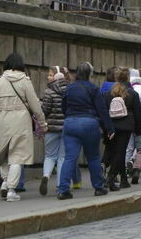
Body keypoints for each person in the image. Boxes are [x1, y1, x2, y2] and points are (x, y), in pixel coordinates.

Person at [58, 62, 113, 199]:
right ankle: (98, 187)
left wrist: (70, 117)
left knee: (70, 157)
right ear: (90, 74)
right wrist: (109, 128)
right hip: (89, 123)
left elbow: (63, 107)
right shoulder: (93, 88)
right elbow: (102, 110)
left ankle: (63, 189)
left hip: (70, 123)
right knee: (93, 157)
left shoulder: (69, 88)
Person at [0, 53, 47, 202]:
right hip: (20, 122)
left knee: (4, 153)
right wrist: (42, 124)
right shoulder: (25, 81)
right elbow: (35, 106)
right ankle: (12, 189)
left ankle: (5, 183)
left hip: (1, 121)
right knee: (17, 155)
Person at [40, 66, 81, 196]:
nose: (48, 77)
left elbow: (44, 110)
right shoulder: (71, 90)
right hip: (66, 128)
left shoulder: (48, 91)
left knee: (49, 156)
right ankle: (60, 185)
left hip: (51, 128)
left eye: (50, 74)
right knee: (62, 158)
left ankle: (46, 175)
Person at [104, 67, 141, 191]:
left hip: (112, 126)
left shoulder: (109, 93)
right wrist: (138, 129)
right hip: (126, 126)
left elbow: (104, 112)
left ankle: (124, 180)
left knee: (117, 152)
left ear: (116, 78)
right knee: (120, 153)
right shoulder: (132, 93)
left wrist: (106, 128)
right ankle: (110, 177)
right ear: (128, 78)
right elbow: (138, 114)